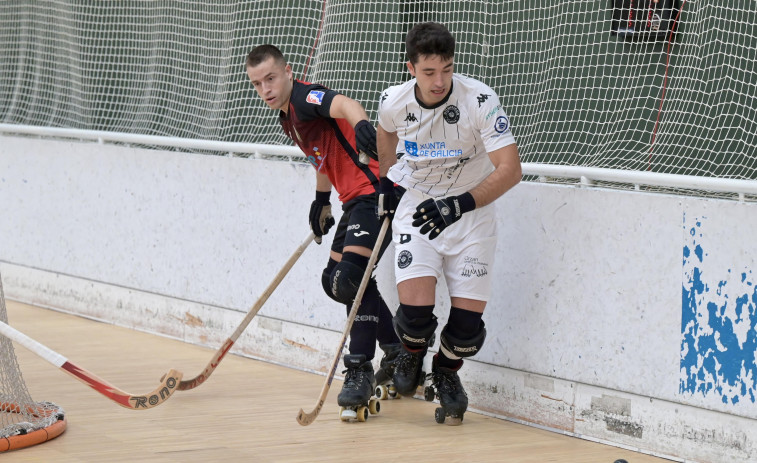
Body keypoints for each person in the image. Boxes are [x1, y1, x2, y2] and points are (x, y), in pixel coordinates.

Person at [375, 22, 522, 424]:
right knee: (415, 320)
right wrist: (388, 179)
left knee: (467, 330)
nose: (440, 81)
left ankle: (445, 371)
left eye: (447, 69)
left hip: (470, 215)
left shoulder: (479, 99)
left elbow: (511, 170)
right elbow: (384, 135)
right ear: (411, 68)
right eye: (429, 72)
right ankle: (410, 355)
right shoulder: (394, 100)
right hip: (420, 210)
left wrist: (458, 205)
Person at [245, 44, 403, 412]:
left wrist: (363, 124)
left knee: (351, 279)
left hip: (375, 193)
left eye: (270, 78)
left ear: (287, 72)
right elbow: (322, 156)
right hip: (352, 201)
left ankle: (359, 368)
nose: (265, 88)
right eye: (256, 84)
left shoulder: (303, 98)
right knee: (334, 280)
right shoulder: (287, 118)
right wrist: (321, 200)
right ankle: (396, 350)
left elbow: (345, 104)